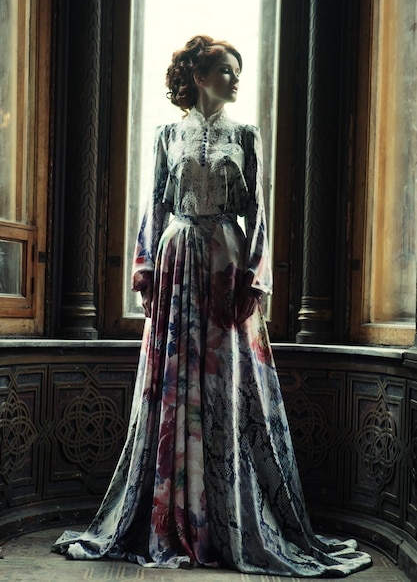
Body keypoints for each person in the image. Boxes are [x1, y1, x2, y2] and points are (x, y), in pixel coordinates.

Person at [53, 35, 372, 576]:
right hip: (177, 263)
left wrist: (254, 277)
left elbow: (260, 215)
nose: (235, 80)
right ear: (199, 75)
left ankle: (228, 516)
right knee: (173, 385)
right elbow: (154, 207)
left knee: (226, 387)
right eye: (225, 70)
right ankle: (171, 516)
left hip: (225, 263)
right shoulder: (166, 136)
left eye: (238, 72)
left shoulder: (246, 137)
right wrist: (146, 266)